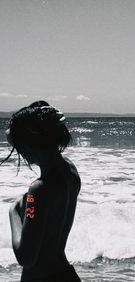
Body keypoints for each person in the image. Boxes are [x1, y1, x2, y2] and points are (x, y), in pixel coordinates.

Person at [1, 101, 82, 282]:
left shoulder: (39, 189)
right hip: (66, 275)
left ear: (27, 146)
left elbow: (26, 258)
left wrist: (14, 212)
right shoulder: (69, 170)